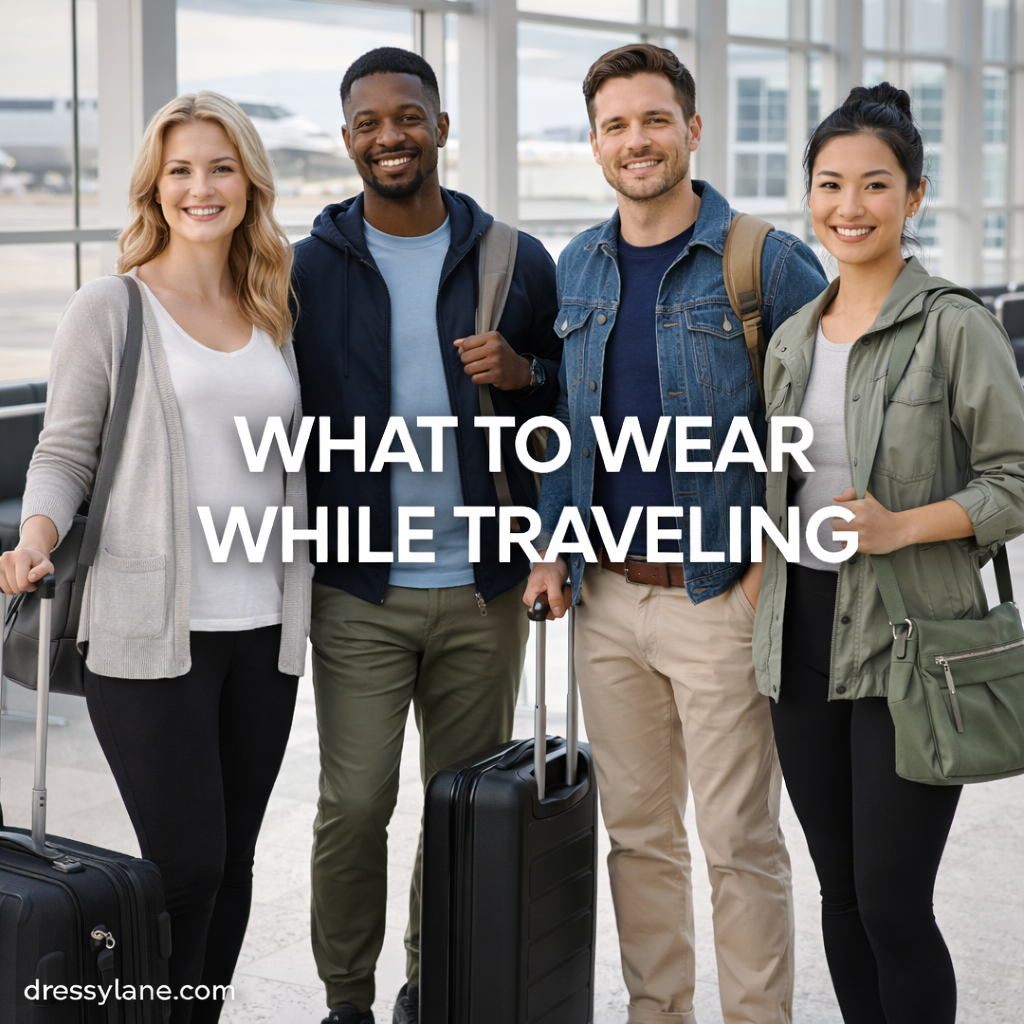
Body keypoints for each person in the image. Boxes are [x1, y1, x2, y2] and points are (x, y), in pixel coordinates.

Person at [525, 43, 828, 1024]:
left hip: (717, 595)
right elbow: (570, 430)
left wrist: (759, 574)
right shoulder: (579, 264)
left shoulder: (764, 259)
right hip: (605, 598)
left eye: (654, 119)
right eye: (615, 125)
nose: (636, 140)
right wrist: (549, 546)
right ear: (594, 143)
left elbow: (821, 432)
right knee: (637, 834)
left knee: (737, 839)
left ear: (692, 129)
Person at [0, 92, 310, 1024]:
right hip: (147, 631)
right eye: (180, 170)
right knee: (186, 866)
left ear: (248, 181)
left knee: (237, 864)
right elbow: (64, 450)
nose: (200, 187)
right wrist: (34, 537)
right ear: (155, 186)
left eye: (220, 167)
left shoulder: (273, 308)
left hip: (265, 631)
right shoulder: (114, 306)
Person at [290, 48, 561, 1024]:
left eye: (408, 116)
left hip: (483, 591)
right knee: (355, 803)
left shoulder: (514, 261)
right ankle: (346, 1001)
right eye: (368, 121)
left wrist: (526, 374)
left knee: (458, 809)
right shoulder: (305, 270)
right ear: (349, 138)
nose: (390, 135)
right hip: (359, 588)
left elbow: (570, 415)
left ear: (441, 128)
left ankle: (428, 983)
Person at [752, 83, 1024, 1023]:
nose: (849, 207)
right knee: (843, 896)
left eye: (876, 185)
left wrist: (904, 524)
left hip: (913, 639)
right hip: (802, 638)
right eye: (830, 185)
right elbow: (777, 478)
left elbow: (1017, 477)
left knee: (896, 901)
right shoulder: (791, 340)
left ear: (913, 197)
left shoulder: (956, 325)